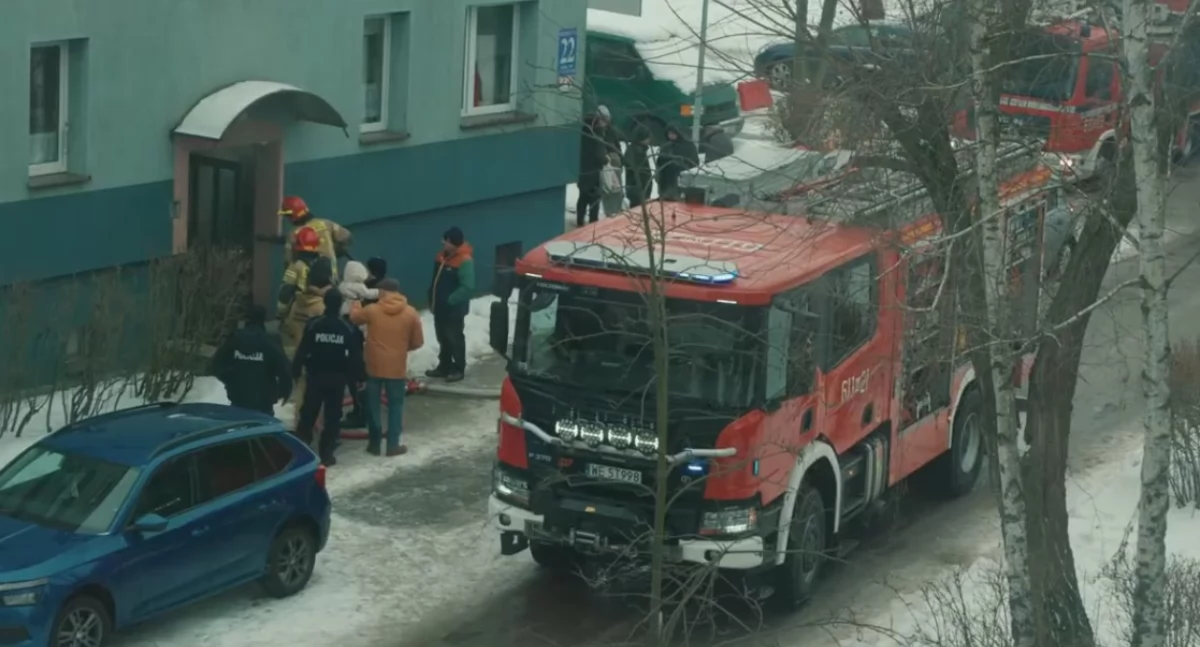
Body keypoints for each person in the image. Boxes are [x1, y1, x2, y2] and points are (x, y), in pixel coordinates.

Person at [350, 278, 425, 456]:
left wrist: (355, 303)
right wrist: (400, 348)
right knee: (396, 405)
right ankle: (393, 445)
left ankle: (374, 444)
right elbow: (418, 342)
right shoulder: (410, 313)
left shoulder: (372, 310)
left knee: (373, 404)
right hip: (396, 367)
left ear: (382, 292)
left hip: (374, 365)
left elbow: (355, 318)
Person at [292, 290, 364, 466]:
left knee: (308, 414)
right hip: (337, 379)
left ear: (324, 302)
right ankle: (326, 454)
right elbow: (356, 356)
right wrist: (360, 376)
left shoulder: (314, 325)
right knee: (332, 418)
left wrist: (295, 370)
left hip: (315, 377)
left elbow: (302, 350)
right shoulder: (347, 328)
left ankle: (301, 450)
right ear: (340, 305)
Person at [210, 304, 291, 415]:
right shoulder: (271, 341)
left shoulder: (235, 339)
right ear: (264, 319)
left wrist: (230, 380)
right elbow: (284, 370)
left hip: (238, 399)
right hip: (264, 402)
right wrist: (283, 392)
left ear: (246, 318)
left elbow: (216, 365)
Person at [427, 227, 475, 382]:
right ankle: (444, 365)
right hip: (439, 307)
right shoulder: (441, 257)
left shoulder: (464, 261)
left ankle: (458, 367)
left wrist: (450, 300)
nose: (443, 243)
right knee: (442, 338)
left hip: (453, 310)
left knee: (454, 338)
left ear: (452, 243)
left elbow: (467, 286)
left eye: (446, 241)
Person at [338, 261, 378, 428]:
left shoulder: (342, 287)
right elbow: (370, 294)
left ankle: (359, 408)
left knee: (353, 376)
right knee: (358, 375)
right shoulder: (360, 290)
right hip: (355, 329)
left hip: (349, 326)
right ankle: (362, 410)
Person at [279, 196, 352, 278]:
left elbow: (288, 260)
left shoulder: (293, 234)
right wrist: (335, 250)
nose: (288, 219)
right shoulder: (326, 224)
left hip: (308, 281)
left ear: (294, 215)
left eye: (289, 216)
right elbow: (346, 236)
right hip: (331, 276)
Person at [576, 106, 621, 227]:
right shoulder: (597, 135)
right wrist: (607, 158)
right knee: (594, 200)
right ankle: (592, 224)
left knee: (583, 197)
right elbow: (600, 156)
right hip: (594, 173)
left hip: (583, 171)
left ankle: (579, 221)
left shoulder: (582, 133)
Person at [656, 125, 700, 201]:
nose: (671, 135)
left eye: (673, 133)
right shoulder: (665, 147)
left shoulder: (688, 146)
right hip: (666, 182)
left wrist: (680, 164)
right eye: (669, 133)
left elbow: (694, 163)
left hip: (681, 179)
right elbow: (660, 164)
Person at [625, 127, 654, 208]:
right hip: (637, 190)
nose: (649, 141)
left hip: (639, 189)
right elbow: (638, 171)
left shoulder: (639, 149)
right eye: (647, 138)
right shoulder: (636, 151)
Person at [600, 152, 625, 217]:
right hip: (610, 161)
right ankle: (612, 211)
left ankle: (613, 210)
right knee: (612, 193)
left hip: (612, 161)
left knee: (615, 192)